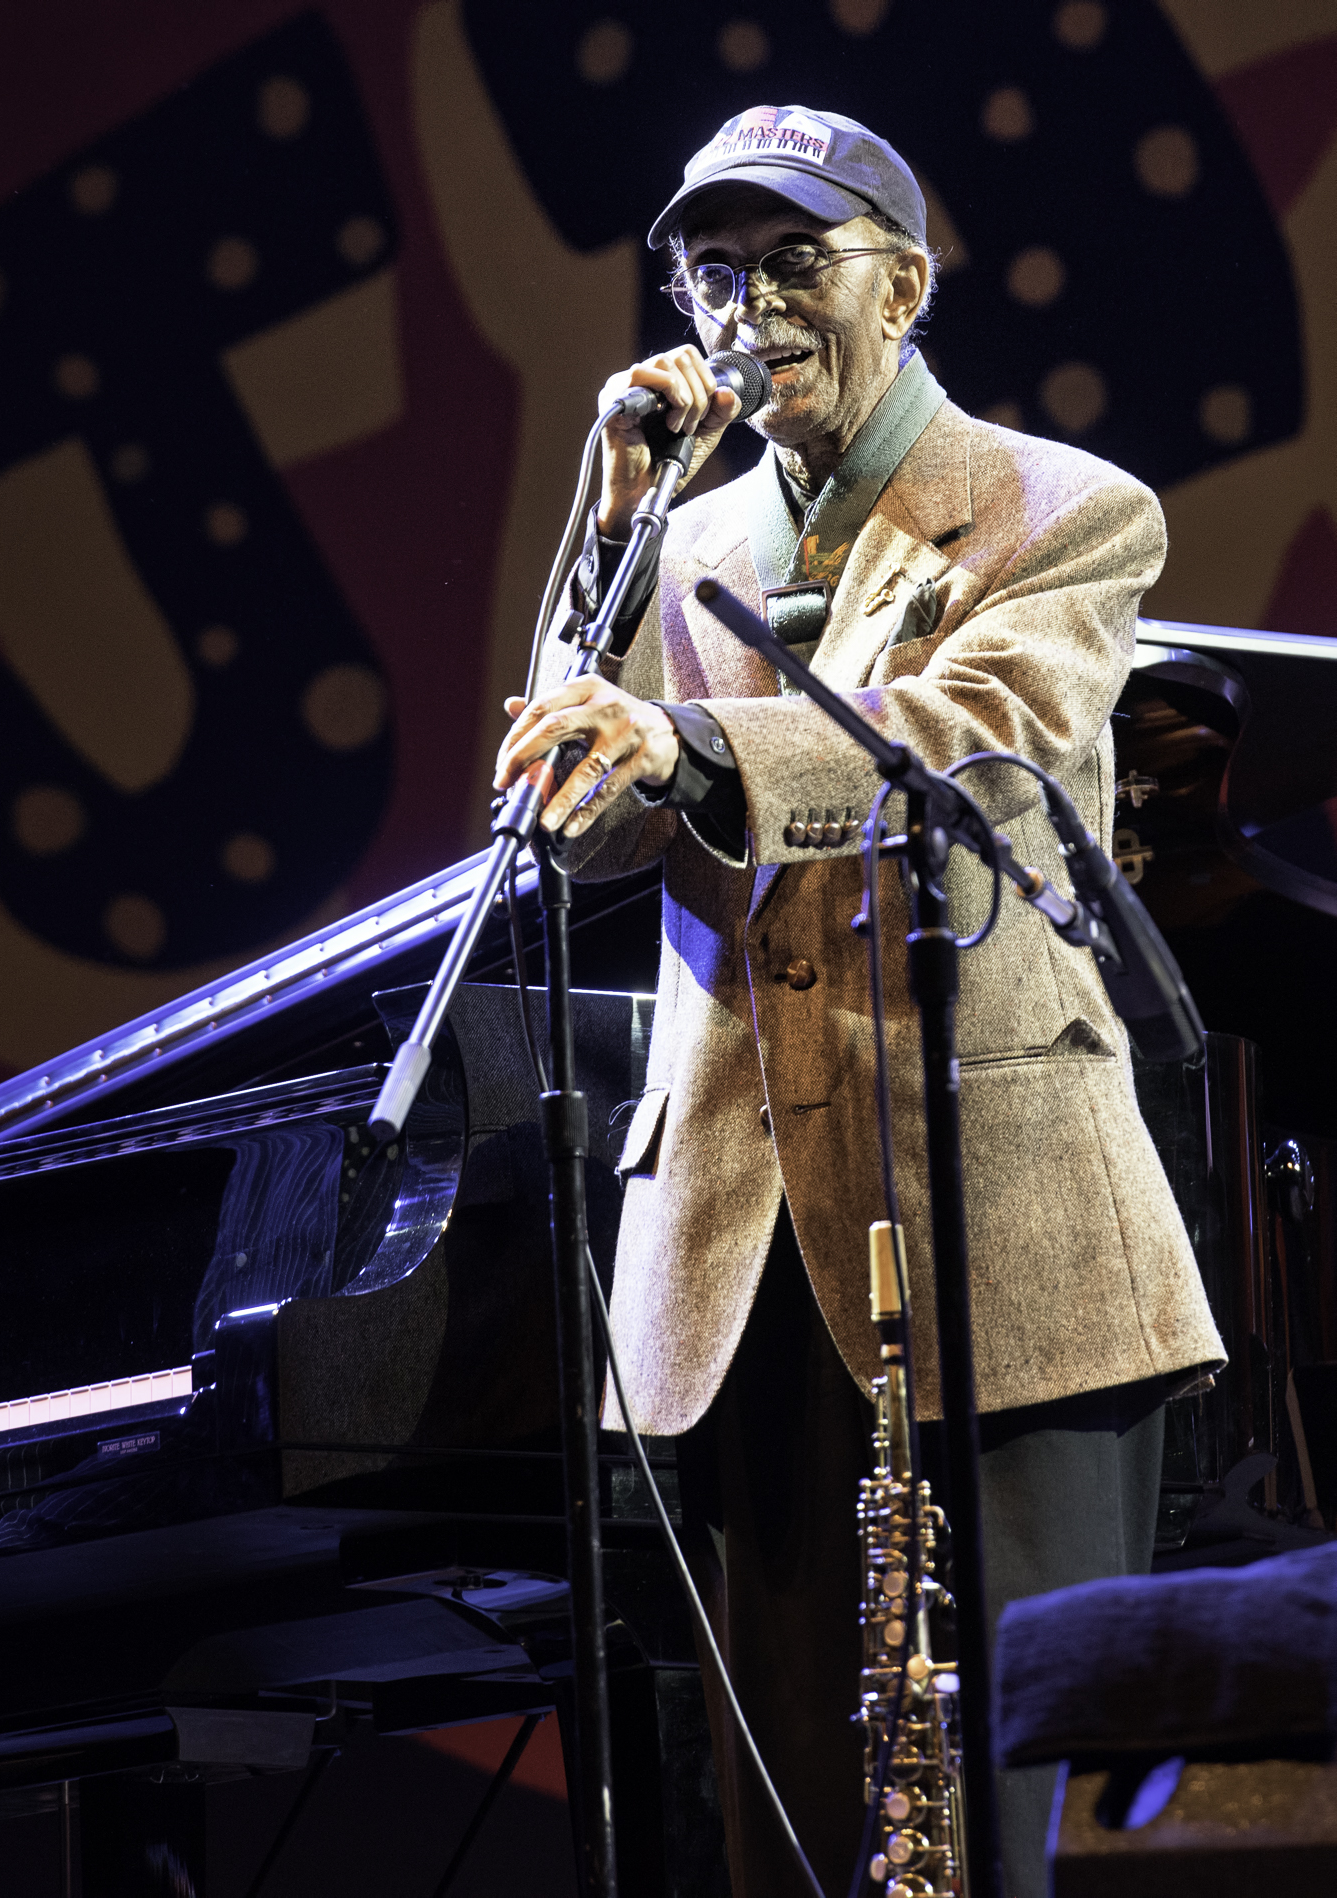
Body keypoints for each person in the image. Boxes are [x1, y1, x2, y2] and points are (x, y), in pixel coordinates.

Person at [492, 108, 1223, 1898]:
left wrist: (684, 742)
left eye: (795, 261)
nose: (750, 307)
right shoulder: (675, 539)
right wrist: (603, 532)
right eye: (713, 270)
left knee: (1036, 1817)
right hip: (743, 1249)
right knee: (805, 1837)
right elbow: (562, 821)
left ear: (904, 280)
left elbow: (978, 750)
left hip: (1007, 1237)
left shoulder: (1060, 509)